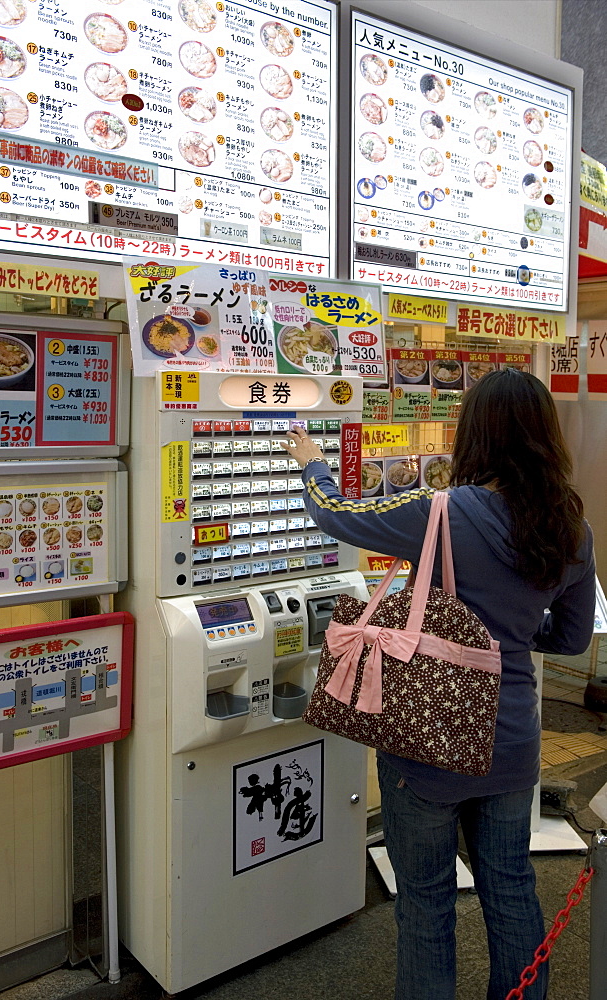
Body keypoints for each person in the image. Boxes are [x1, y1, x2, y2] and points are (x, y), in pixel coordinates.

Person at [282, 369, 595, 1000]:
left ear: (473, 433)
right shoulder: (571, 529)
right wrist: (505, 634)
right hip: (512, 743)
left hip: (429, 740)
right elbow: (570, 639)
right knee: (510, 885)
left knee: (425, 901)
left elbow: (337, 514)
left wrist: (312, 464)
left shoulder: (443, 514)